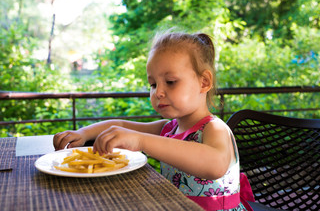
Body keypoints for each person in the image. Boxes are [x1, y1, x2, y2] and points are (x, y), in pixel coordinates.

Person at [53, 30, 253, 211]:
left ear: (204, 82)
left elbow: (215, 165)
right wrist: (83, 133)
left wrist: (141, 141)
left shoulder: (214, 128)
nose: (158, 92)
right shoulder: (169, 128)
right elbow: (120, 126)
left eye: (171, 82)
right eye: (153, 84)